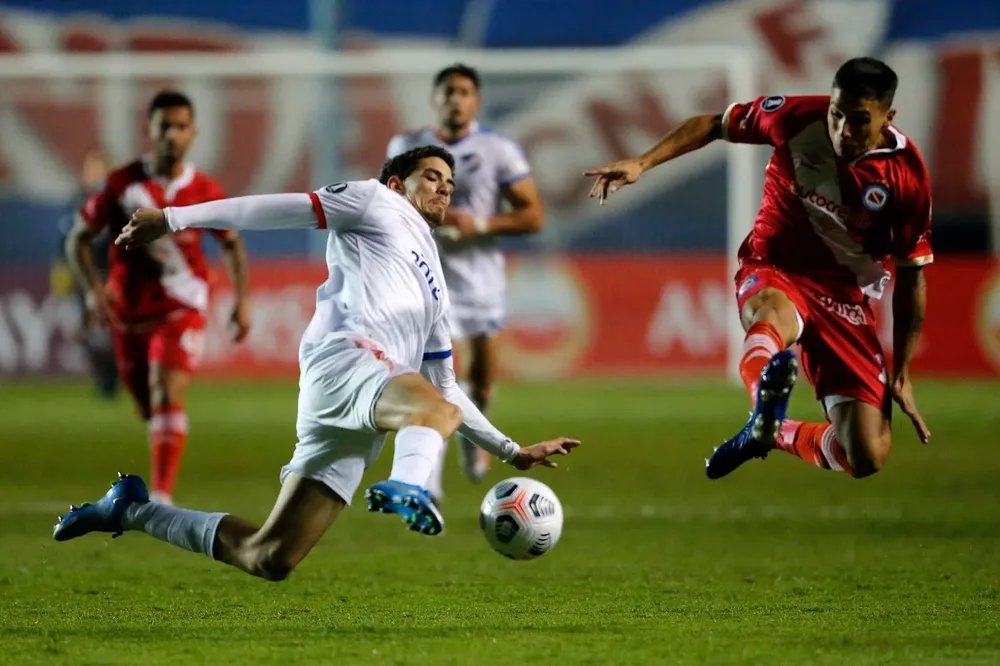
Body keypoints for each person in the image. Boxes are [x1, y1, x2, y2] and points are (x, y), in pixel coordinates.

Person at [53, 145, 578, 583]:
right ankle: (410, 486)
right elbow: (274, 208)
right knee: (433, 413)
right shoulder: (374, 201)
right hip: (347, 359)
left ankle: (130, 510)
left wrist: (512, 451)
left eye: (450, 181)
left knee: (269, 556)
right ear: (397, 184)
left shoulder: (435, 283)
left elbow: (447, 389)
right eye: (432, 176)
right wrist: (173, 218)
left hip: (364, 404)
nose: (445, 187)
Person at [584, 57, 932, 480]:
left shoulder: (906, 176)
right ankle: (762, 409)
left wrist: (903, 373)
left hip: (844, 296)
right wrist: (643, 162)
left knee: (865, 455)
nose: (842, 130)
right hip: (776, 267)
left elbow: (912, 274)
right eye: (837, 114)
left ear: (887, 117)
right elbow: (714, 124)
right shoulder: (797, 117)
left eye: (859, 121)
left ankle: (770, 430)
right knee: (770, 317)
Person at [65, 90, 252, 505]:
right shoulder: (121, 185)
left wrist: (242, 301)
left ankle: (161, 496)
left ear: (194, 132)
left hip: (183, 305)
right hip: (128, 312)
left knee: (167, 390)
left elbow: (232, 244)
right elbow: (78, 238)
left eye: (180, 126)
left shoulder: (205, 188)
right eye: (163, 126)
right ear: (148, 130)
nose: (172, 134)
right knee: (148, 405)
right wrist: (95, 291)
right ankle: (162, 442)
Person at [386, 64, 545, 502]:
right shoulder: (406, 146)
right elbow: (386, 202)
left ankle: (474, 439)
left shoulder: (498, 149)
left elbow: (532, 215)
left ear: (476, 101)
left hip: (480, 280)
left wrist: (479, 222)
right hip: (422, 274)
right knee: (430, 380)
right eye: (448, 92)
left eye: (464, 92)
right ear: (434, 99)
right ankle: (428, 484)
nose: (455, 99)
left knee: (478, 380)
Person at [54, 148, 119, 399]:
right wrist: (61, 271)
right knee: (90, 330)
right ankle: (104, 380)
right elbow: (65, 240)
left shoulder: (116, 201)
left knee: (112, 328)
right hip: (83, 276)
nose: (91, 173)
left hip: (110, 273)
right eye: (89, 167)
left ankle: (114, 378)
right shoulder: (77, 201)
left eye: (97, 168)